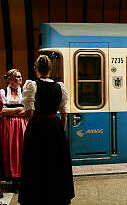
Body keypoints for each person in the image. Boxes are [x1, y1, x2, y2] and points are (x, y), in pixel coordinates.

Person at [19, 56, 74, 204]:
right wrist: (60, 133)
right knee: (55, 163)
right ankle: (57, 195)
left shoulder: (31, 85)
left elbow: (29, 113)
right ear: (50, 69)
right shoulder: (60, 87)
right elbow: (64, 115)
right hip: (55, 128)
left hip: (37, 128)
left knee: (36, 163)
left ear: (36, 69)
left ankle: (36, 196)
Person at [0, 69, 28, 193]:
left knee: (23, 150)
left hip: (23, 124)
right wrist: (19, 109)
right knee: (11, 151)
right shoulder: (3, 92)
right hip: (8, 126)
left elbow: (27, 111)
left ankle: (23, 180)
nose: (20, 78)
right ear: (10, 79)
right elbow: (2, 111)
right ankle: (14, 180)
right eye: (17, 77)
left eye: (21, 76)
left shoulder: (25, 92)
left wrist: (11, 111)